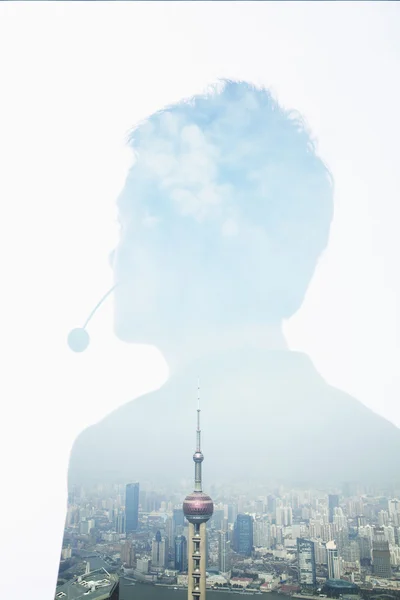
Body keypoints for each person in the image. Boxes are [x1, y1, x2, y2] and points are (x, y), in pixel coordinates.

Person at [68, 80, 400, 490]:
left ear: (180, 240)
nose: (113, 255)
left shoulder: (112, 454)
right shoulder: (383, 450)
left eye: (125, 224)